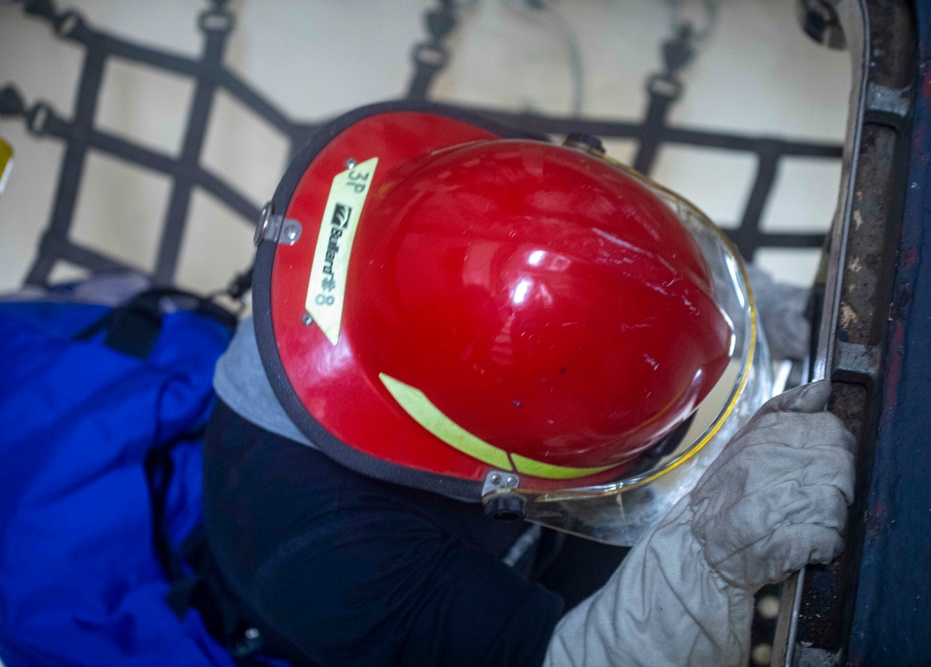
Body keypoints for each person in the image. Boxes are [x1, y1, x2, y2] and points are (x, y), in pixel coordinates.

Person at [201, 102, 854, 667]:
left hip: (541, 529)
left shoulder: (459, 174)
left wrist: (765, 315)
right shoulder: (319, 548)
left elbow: (600, 256)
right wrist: (711, 561)